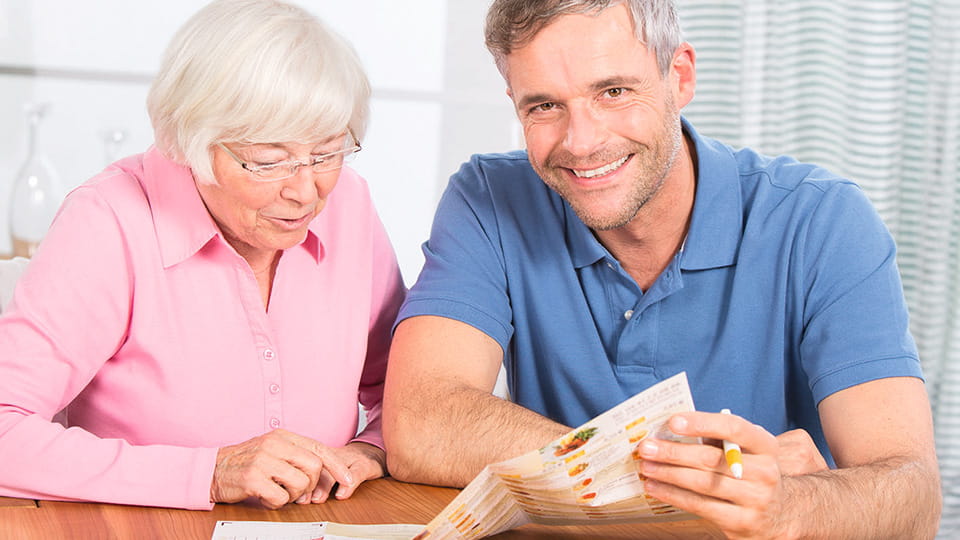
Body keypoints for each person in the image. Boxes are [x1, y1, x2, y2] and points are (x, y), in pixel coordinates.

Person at [383, 0, 941, 537]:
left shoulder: (822, 219)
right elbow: (420, 424)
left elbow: (912, 500)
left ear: (680, 76)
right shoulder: (489, 197)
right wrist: (697, 473)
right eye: (544, 106)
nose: (582, 141)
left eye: (614, 91)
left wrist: (788, 504)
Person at [0, 0, 404, 511]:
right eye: (268, 161)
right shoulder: (110, 220)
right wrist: (209, 474)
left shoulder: (349, 205)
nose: (306, 191)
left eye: (326, 153)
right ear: (190, 141)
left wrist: (371, 451)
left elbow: (408, 389)